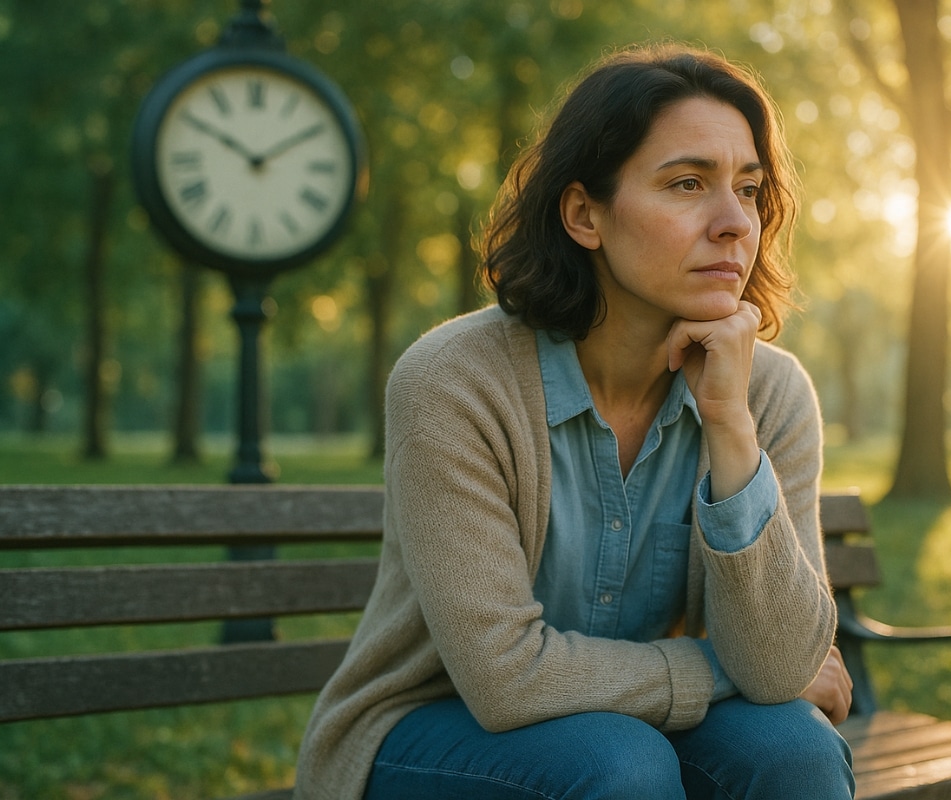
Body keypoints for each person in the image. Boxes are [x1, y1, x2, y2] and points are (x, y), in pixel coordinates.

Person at [295, 43, 855, 800]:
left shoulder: (768, 393)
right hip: (432, 730)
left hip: (641, 727)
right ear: (585, 214)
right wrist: (710, 668)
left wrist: (728, 425)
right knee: (620, 764)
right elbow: (504, 679)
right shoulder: (455, 382)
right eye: (688, 183)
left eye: (750, 189)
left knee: (796, 753)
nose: (734, 223)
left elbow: (782, 667)